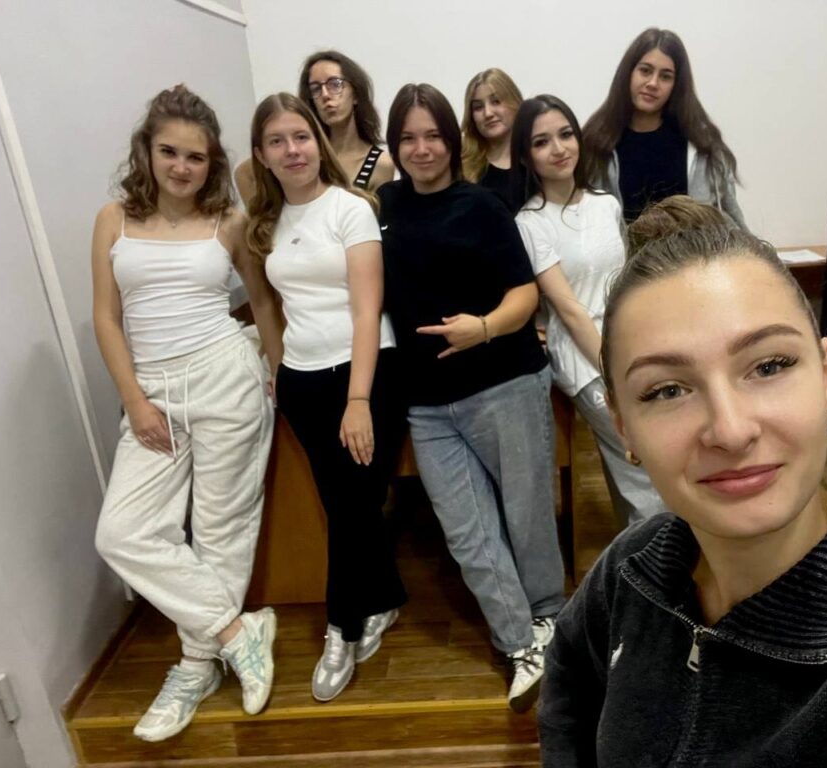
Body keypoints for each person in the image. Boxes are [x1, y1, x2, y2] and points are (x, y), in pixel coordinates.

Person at [538, 196, 827, 767]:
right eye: (667, 390)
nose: (731, 431)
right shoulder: (631, 570)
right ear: (622, 426)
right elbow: (568, 696)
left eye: (769, 366)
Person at [92, 85, 278, 742]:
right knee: (122, 532)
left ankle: (195, 667)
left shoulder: (228, 221)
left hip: (225, 374)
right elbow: (106, 318)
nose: (181, 166)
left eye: (195, 157)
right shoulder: (113, 219)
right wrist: (135, 401)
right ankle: (236, 631)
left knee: (222, 529)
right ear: (147, 151)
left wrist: (276, 369)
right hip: (153, 388)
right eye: (169, 152)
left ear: (212, 162)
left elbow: (261, 301)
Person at [378, 83, 566, 713]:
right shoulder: (383, 207)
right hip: (428, 404)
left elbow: (525, 295)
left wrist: (481, 328)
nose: (422, 148)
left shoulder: (482, 206)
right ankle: (519, 644)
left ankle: (548, 619)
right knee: (468, 532)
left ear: (452, 141)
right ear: (394, 145)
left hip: (504, 382)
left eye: (433, 135)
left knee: (526, 513)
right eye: (408, 137)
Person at [246, 93, 407, 702]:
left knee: (351, 506)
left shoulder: (351, 208)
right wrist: (278, 368)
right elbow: (269, 305)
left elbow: (367, 309)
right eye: (277, 141)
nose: (293, 150)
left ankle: (340, 627)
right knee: (345, 503)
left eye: (301, 136)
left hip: (365, 372)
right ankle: (385, 598)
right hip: (303, 380)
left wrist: (358, 400)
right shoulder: (265, 223)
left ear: (318, 142)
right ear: (261, 155)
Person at [512, 94, 666, 527]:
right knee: (640, 462)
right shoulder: (530, 222)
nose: (558, 148)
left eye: (565, 135)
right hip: (583, 356)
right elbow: (569, 310)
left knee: (636, 463)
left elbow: (625, 280)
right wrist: (612, 369)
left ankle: (637, 550)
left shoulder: (605, 204)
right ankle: (662, 554)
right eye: (541, 142)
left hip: (629, 340)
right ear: (525, 156)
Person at [583, 28, 747, 228]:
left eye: (665, 76)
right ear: (628, 73)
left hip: (694, 248)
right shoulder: (597, 143)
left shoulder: (702, 144)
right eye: (645, 71)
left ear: (676, 85)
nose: (653, 83)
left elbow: (732, 217)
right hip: (624, 249)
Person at [236, 50, 394, 202]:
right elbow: (243, 174)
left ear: (356, 94)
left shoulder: (380, 163)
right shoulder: (305, 152)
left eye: (335, 84)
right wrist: (265, 216)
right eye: (316, 88)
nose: (325, 95)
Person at [461, 67, 526, 212]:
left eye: (496, 101)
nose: (488, 113)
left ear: (515, 103)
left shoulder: (536, 160)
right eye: (478, 107)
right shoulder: (462, 166)